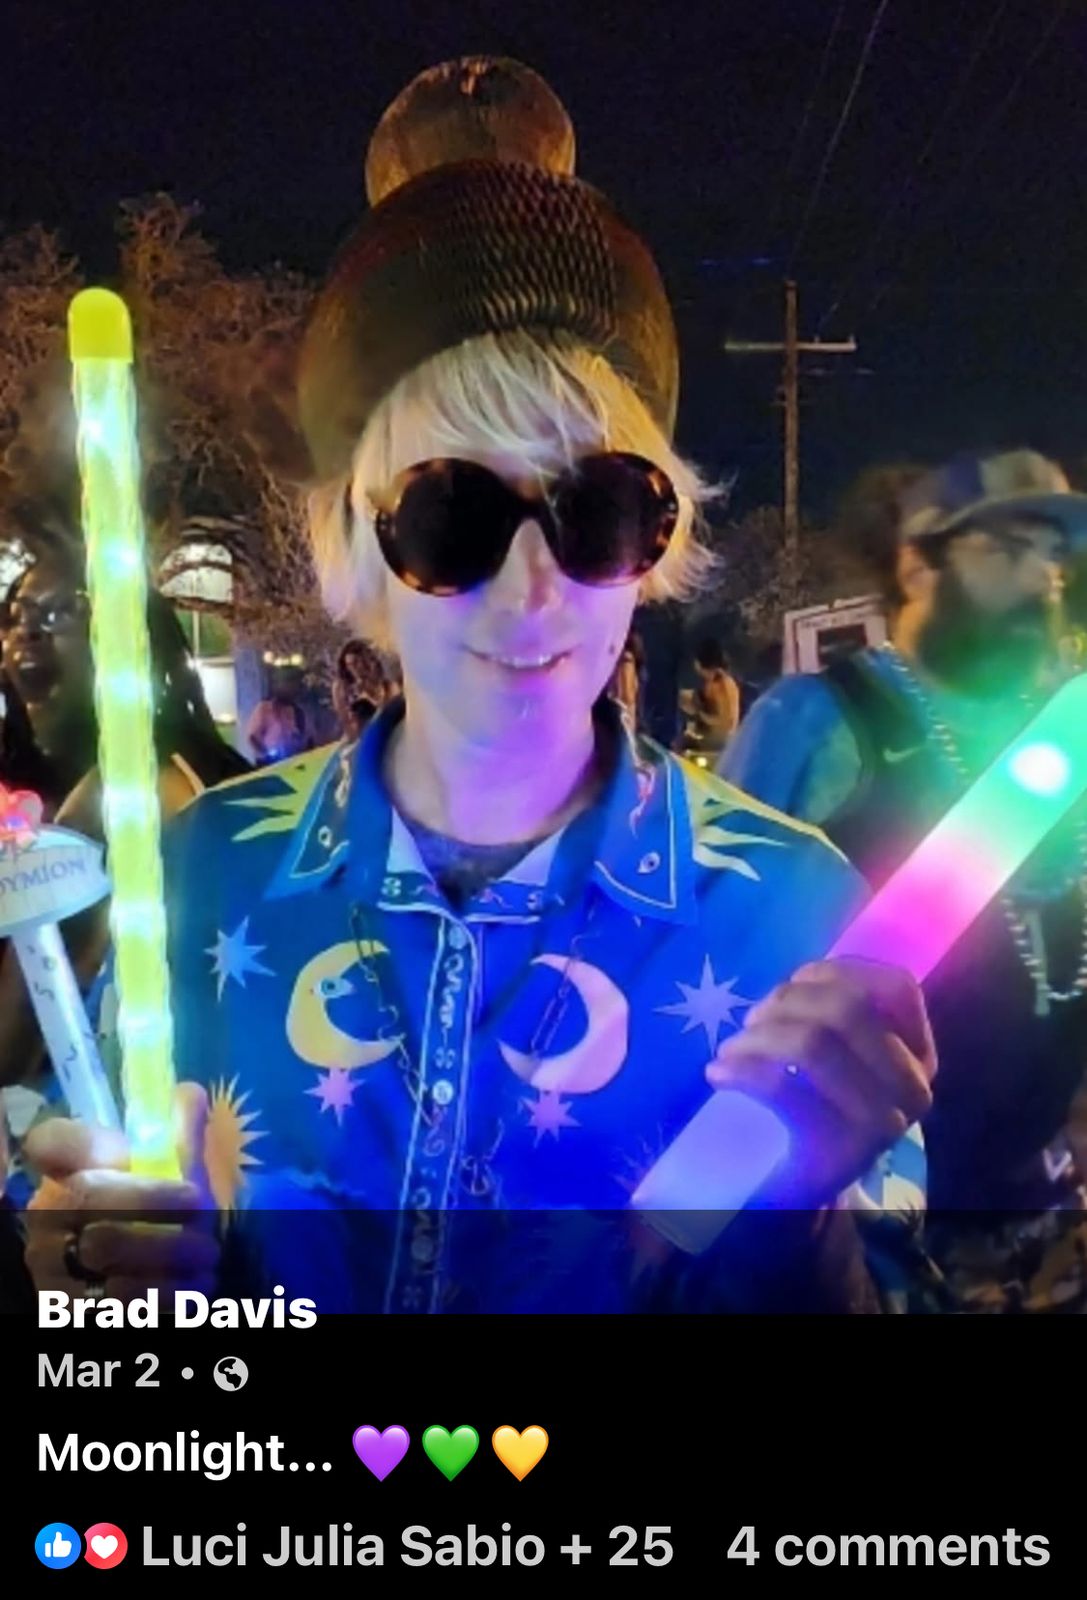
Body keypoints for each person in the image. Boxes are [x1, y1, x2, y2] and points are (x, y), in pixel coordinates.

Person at [22, 57, 939, 1316]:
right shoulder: (194, 880)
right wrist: (90, 1277)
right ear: (355, 541)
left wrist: (805, 1234)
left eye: (598, 509)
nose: (532, 587)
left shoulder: (788, 913)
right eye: (451, 515)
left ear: (658, 539)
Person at [722, 449, 1087, 1312]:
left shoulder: (1066, 731)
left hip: (1046, 1222)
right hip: (874, 1229)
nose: (1041, 580)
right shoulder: (823, 720)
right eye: (1007, 550)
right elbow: (722, 952)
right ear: (917, 563)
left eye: (1054, 556)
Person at [0, 537, 250, 1091]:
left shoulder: (148, 791)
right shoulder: (30, 792)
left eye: (65, 611)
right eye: (17, 614)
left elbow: (17, 1035)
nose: (28, 631)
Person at [679, 638, 741, 759]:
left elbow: (724, 721)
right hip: (712, 739)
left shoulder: (723, 685)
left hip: (718, 744)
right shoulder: (712, 682)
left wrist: (699, 713)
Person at [333, 637, 390, 741]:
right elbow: (346, 719)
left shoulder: (380, 680)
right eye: (349, 665)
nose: (353, 668)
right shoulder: (344, 687)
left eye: (356, 663)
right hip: (363, 735)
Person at [246, 690, 311, 765]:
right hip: (269, 762)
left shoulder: (299, 711)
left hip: (292, 761)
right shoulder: (265, 708)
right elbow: (252, 736)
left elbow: (305, 738)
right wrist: (265, 753)